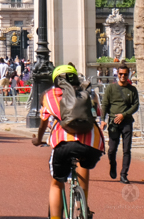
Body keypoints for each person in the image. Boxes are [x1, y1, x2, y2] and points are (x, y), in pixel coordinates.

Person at [32, 64, 104, 219]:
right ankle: (82, 206)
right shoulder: (89, 93)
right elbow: (98, 113)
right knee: (83, 163)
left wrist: (38, 139)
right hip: (92, 146)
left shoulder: (50, 95)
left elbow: (43, 122)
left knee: (57, 183)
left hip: (63, 143)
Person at [101, 64, 139, 183]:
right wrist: (102, 119)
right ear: (117, 74)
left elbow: (135, 105)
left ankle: (124, 174)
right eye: (120, 74)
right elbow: (105, 104)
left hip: (126, 122)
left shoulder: (132, 90)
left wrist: (124, 115)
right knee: (112, 149)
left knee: (126, 150)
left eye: (125, 74)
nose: (122, 76)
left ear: (128, 75)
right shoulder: (110, 88)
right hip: (113, 123)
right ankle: (112, 164)